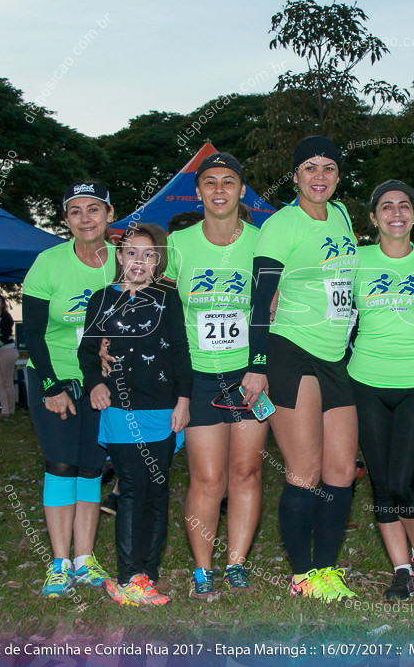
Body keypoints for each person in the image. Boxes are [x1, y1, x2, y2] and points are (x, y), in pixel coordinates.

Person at [241, 136, 360, 602]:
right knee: (305, 472)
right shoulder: (280, 225)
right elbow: (258, 300)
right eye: (310, 167)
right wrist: (256, 365)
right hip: (291, 350)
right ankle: (303, 574)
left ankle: (327, 571)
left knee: (342, 471)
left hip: (336, 356)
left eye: (329, 168)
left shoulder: (344, 217)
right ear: (295, 175)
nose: (319, 177)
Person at [164, 152, 268, 600]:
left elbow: (272, 309)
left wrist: (261, 366)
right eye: (210, 182)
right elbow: (162, 309)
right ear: (199, 191)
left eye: (229, 181)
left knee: (246, 471)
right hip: (200, 375)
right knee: (207, 476)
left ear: (242, 190)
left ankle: (237, 563)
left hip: (249, 376)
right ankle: (203, 570)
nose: (220, 190)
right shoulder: (178, 245)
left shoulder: (264, 241)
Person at [80, 223, 191, 606]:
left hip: (163, 409)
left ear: (158, 260)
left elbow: (180, 352)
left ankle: (148, 574)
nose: (138, 261)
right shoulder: (102, 299)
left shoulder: (168, 298)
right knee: (131, 490)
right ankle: (128, 577)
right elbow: (87, 351)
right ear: (119, 256)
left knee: (157, 492)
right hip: (120, 408)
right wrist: (95, 382)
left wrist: (183, 400)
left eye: (148, 254)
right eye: (131, 253)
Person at [349, 180, 414, 600]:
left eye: (404, 206)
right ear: (373, 218)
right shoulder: (356, 260)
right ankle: (401, 568)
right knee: (382, 482)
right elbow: (314, 291)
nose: (396, 214)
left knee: (405, 479)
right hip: (366, 380)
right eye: (386, 207)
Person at [23, 182, 116, 598]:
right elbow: (33, 333)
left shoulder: (123, 260)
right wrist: (51, 385)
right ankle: (59, 562)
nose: (85, 218)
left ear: (109, 214)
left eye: (93, 209)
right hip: (53, 376)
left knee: (91, 467)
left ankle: (85, 558)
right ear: (66, 219)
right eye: (75, 211)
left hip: (102, 381)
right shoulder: (48, 262)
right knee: (61, 464)